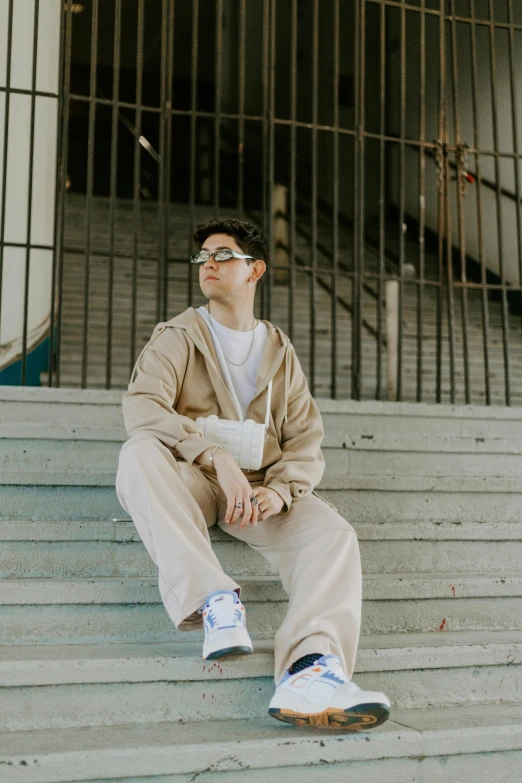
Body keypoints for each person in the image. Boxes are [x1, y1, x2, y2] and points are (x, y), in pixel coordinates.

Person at [115, 218, 390, 731]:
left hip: (260, 493)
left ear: (255, 269)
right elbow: (143, 408)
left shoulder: (281, 353)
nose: (209, 264)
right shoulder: (179, 336)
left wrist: (281, 494)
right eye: (202, 257)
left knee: (334, 535)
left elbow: (305, 440)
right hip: (193, 480)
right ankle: (215, 599)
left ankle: (310, 670)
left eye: (222, 254)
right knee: (137, 455)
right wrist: (214, 456)